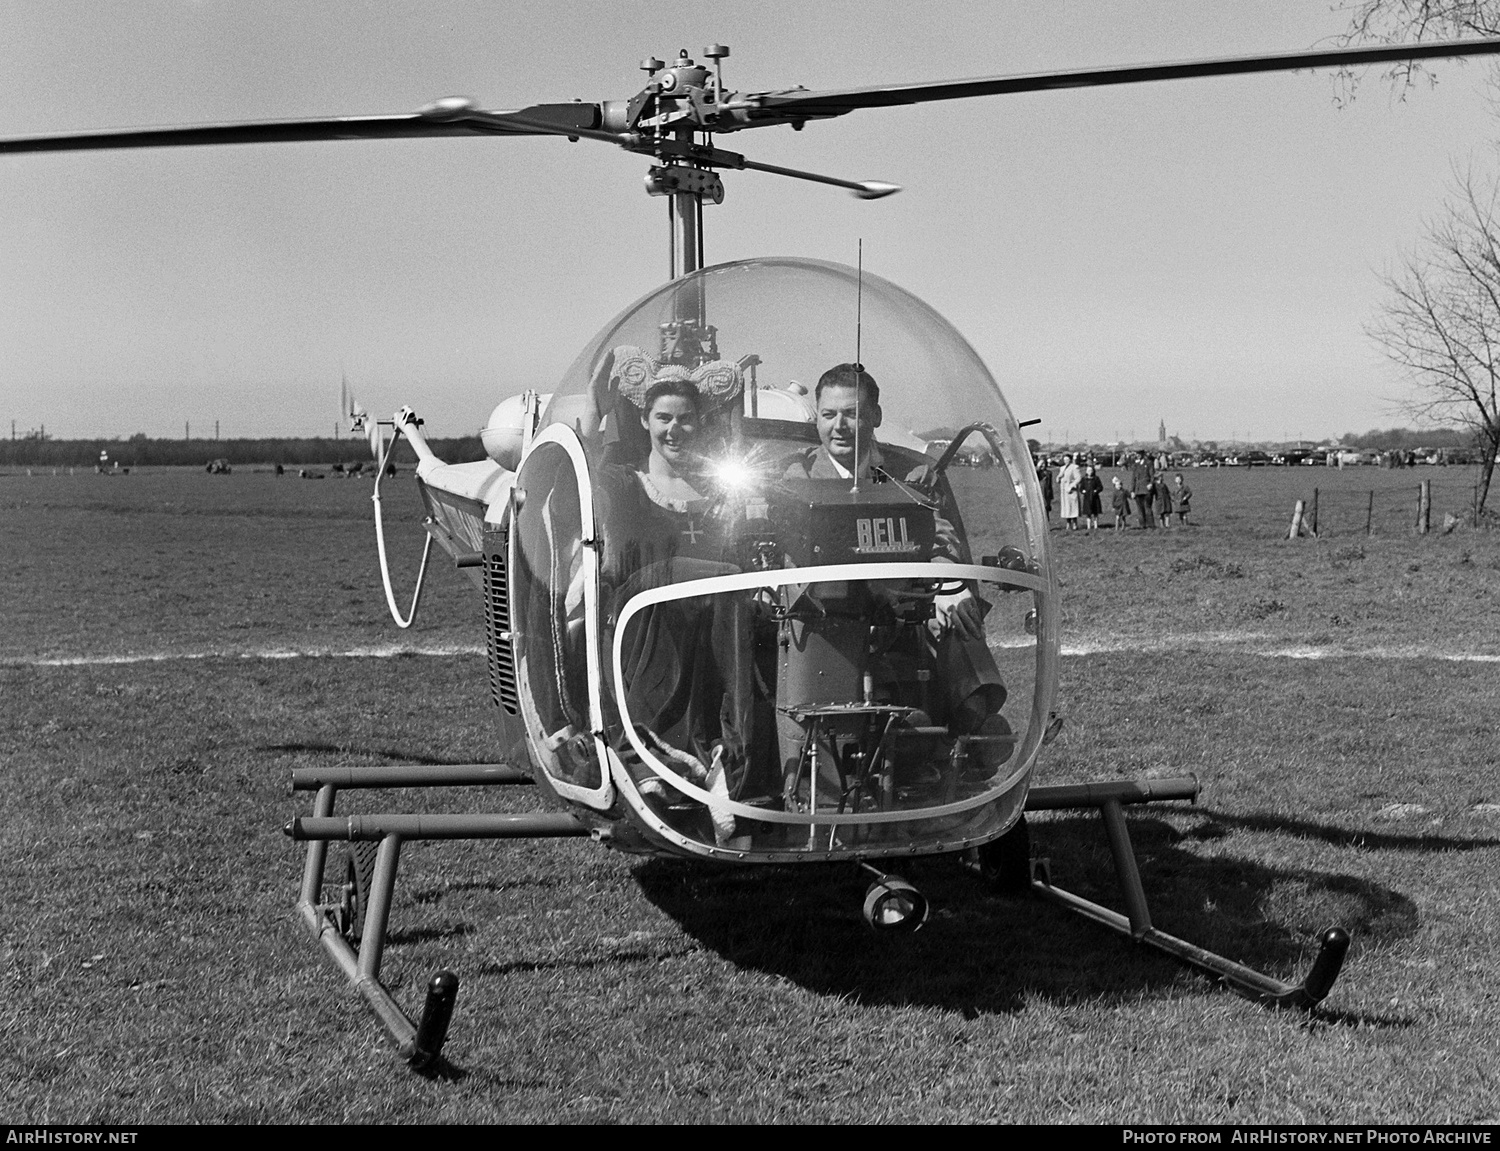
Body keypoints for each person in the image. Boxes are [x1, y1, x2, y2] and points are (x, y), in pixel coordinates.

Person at [783, 362, 1007, 737]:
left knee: (956, 613)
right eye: (829, 414)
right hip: (830, 616)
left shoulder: (910, 473)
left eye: (852, 414)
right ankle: (901, 730)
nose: (839, 426)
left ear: (876, 416)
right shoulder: (797, 476)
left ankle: (972, 726)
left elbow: (941, 536)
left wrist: (952, 587)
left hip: (906, 608)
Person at [1078, 463, 1104, 534]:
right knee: (1088, 513)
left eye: (1091, 470)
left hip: (1095, 498)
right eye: (1088, 470)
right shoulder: (1084, 479)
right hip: (1087, 498)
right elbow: (1081, 488)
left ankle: (1096, 526)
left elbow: (1100, 487)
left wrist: (1096, 490)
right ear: (1086, 471)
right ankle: (1088, 526)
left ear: (1093, 471)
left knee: (1095, 512)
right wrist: (1083, 491)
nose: (1089, 472)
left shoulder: (1096, 478)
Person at [1058, 454, 1082, 530]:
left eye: (1067, 460)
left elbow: (1078, 478)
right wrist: (1059, 477)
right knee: (1066, 507)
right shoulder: (1062, 468)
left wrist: (1071, 486)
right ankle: (1068, 523)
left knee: (1073, 506)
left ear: (1070, 460)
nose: (1066, 461)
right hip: (1064, 491)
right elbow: (1058, 479)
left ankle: (1074, 523)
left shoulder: (1074, 467)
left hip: (1071, 490)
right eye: (1064, 460)